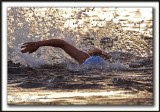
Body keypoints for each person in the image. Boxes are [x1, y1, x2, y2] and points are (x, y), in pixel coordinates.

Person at [21, 39, 112, 65]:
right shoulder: (83, 58)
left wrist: (39, 44)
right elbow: (61, 43)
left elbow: (62, 44)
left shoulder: (82, 59)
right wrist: (38, 44)